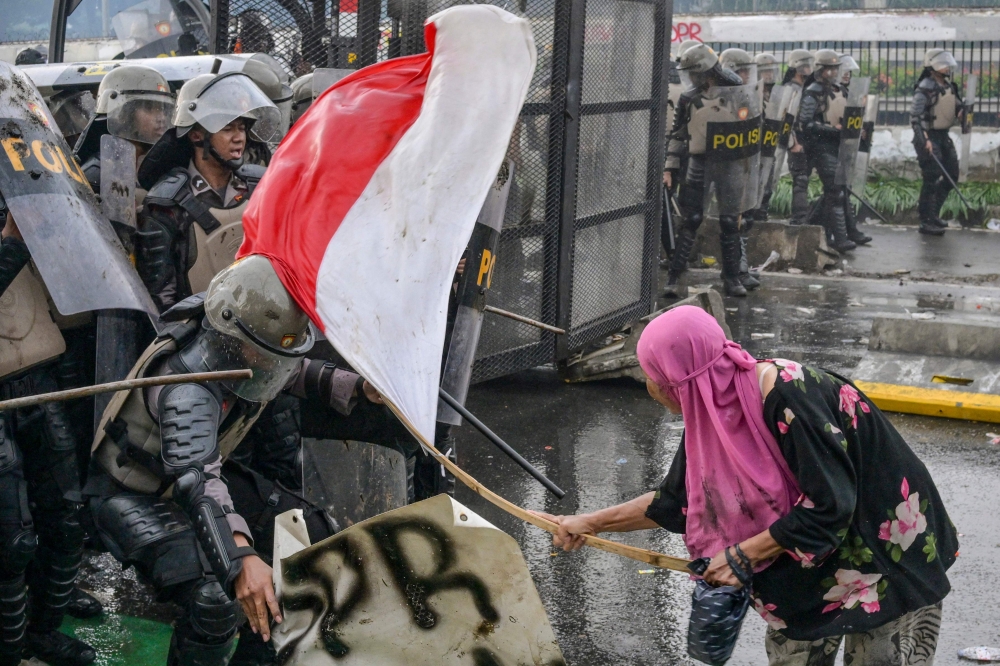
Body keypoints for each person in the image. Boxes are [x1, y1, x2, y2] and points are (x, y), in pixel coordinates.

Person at [537, 305, 958, 665]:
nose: (651, 390)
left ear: (679, 381)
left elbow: (830, 506)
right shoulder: (713, 410)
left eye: (655, 378)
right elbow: (678, 502)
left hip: (884, 552)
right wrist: (590, 523)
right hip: (813, 569)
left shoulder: (791, 396)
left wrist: (739, 555)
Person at [84, 255, 384, 665]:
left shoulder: (244, 346)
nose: (273, 363)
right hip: (134, 495)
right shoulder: (187, 387)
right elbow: (197, 482)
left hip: (191, 485)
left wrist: (359, 388)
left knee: (307, 535)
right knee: (215, 599)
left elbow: (287, 370)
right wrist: (241, 556)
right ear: (233, 335)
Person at [0, 208, 97, 666]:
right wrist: (14, 242)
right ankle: (10, 647)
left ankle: (42, 631)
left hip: (39, 378)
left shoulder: (20, 196)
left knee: (65, 516)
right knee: (10, 539)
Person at [135, 71, 279, 312]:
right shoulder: (166, 202)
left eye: (242, 128)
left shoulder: (261, 187)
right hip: (196, 335)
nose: (239, 138)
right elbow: (160, 298)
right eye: (227, 128)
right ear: (196, 135)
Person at [663, 45, 747, 298]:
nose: (690, 77)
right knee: (691, 220)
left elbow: (751, 130)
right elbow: (678, 135)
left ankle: (732, 278)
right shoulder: (689, 98)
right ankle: (674, 276)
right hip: (699, 162)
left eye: (692, 72)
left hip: (729, 163)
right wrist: (669, 168)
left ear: (703, 71)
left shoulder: (736, 94)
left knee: (730, 222)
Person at [73, 64, 176, 192]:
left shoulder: (163, 169)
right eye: (150, 108)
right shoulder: (98, 174)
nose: (161, 118)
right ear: (122, 115)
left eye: (164, 110)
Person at [795, 50, 860, 253]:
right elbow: (806, 123)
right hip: (821, 147)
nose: (833, 72)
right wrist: (832, 131)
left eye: (835, 68)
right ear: (820, 70)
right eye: (829, 68)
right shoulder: (814, 91)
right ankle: (839, 239)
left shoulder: (840, 90)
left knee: (838, 191)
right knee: (835, 191)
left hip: (837, 145)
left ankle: (820, 228)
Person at [719, 48, 761, 292]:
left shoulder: (747, 96)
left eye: (748, 70)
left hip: (743, 163)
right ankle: (733, 274)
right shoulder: (723, 97)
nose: (747, 75)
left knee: (742, 219)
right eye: (742, 70)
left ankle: (739, 270)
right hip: (724, 165)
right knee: (729, 220)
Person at [911, 49, 962, 237]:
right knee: (931, 179)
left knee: (951, 175)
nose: (947, 67)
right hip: (929, 137)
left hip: (943, 136)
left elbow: (956, 106)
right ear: (932, 66)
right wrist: (924, 139)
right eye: (943, 64)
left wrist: (962, 113)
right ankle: (926, 220)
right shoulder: (926, 87)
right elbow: (916, 116)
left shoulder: (949, 86)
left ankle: (933, 214)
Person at [782, 49, 813, 226]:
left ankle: (803, 217)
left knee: (804, 178)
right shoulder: (790, 89)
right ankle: (799, 219)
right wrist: (792, 143)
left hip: (806, 139)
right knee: (800, 179)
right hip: (797, 140)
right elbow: (787, 119)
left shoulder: (804, 88)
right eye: (805, 66)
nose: (808, 69)